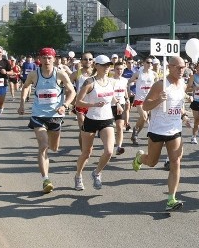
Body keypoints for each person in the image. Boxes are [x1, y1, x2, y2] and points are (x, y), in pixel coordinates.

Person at [132, 55, 188, 211]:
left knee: (176, 162)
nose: (181, 70)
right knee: (152, 162)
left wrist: (184, 115)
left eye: (183, 67)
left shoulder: (182, 84)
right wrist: (158, 100)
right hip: (157, 129)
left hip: (175, 129)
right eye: (177, 67)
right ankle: (139, 158)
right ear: (169, 67)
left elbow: (179, 105)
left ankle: (171, 199)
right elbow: (145, 105)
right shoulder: (160, 85)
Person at [17, 47, 76, 193]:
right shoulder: (34, 74)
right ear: (40, 59)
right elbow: (25, 87)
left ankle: (47, 161)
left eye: (49, 57)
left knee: (54, 148)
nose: (47, 60)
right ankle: (45, 179)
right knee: (43, 145)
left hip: (55, 116)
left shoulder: (60, 74)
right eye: (44, 57)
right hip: (38, 115)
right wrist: (22, 104)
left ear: (54, 59)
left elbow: (72, 91)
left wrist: (65, 105)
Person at [73, 55, 117, 191]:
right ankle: (78, 176)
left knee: (109, 151)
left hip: (107, 119)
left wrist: (118, 103)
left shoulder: (111, 81)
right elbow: (78, 102)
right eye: (103, 65)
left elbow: (112, 96)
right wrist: (94, 104)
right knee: (86, 153)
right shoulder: (89, 82)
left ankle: (96, 172)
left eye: (108, 65)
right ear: (96, 66)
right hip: (91, 119)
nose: (107, 67)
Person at [129, 58, 158, 144]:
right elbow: (129, 82)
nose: (150, 64)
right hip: (139, 99)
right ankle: (135, 129)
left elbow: (157, 85)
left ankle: (136, 134)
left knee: (146, 119)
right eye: (148, 62)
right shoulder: (138, 73)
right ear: (144, 63)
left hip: (150, 99)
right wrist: (129, 91)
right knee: (144, 117)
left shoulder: (154, 74)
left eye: (151, 63)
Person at [111, 60, 131, 156]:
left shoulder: (124, 80)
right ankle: (109, 146)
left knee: (119, 127)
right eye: (117, 69)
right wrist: (117, 102)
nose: (119, 71)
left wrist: (127, 99)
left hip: (121, 105)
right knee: (109, 128)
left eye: (121, 69)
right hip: (111, 105)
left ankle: (119, 146)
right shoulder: (110, 80)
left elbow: (125, 90)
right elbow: (110, 94)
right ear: (114, 69)